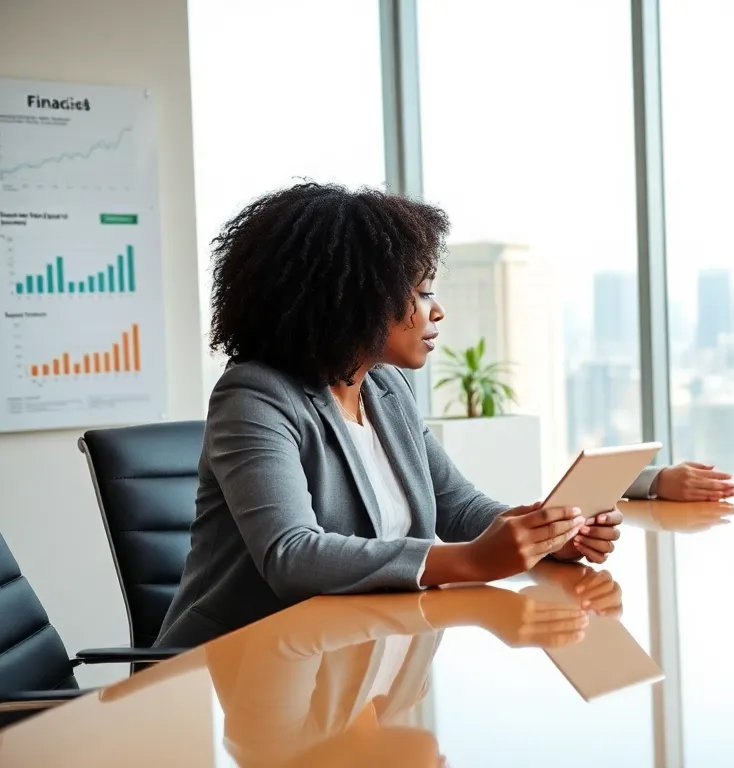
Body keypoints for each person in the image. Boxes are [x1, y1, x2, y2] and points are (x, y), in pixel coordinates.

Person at [156, 183, 623, 648]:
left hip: (364, 653)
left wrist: (545, 538)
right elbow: (291, 554)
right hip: (239, 668)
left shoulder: (386, 389)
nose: (436, 311)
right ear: (352, 298)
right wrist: (471, 561)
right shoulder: (255, 396)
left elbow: (457, 506)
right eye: (421, 293)